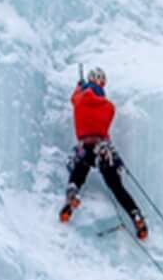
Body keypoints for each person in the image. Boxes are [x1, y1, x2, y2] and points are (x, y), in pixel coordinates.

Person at [59, 67, 147, 239]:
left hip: (86, 145)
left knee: (79, 170)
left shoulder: (80, 99)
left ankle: (72, 193)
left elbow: (74, 98)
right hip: (102, 146)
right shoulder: (107, 106)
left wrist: (79, 87)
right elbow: (105, 124)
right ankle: (135, 214)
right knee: (116, 186)